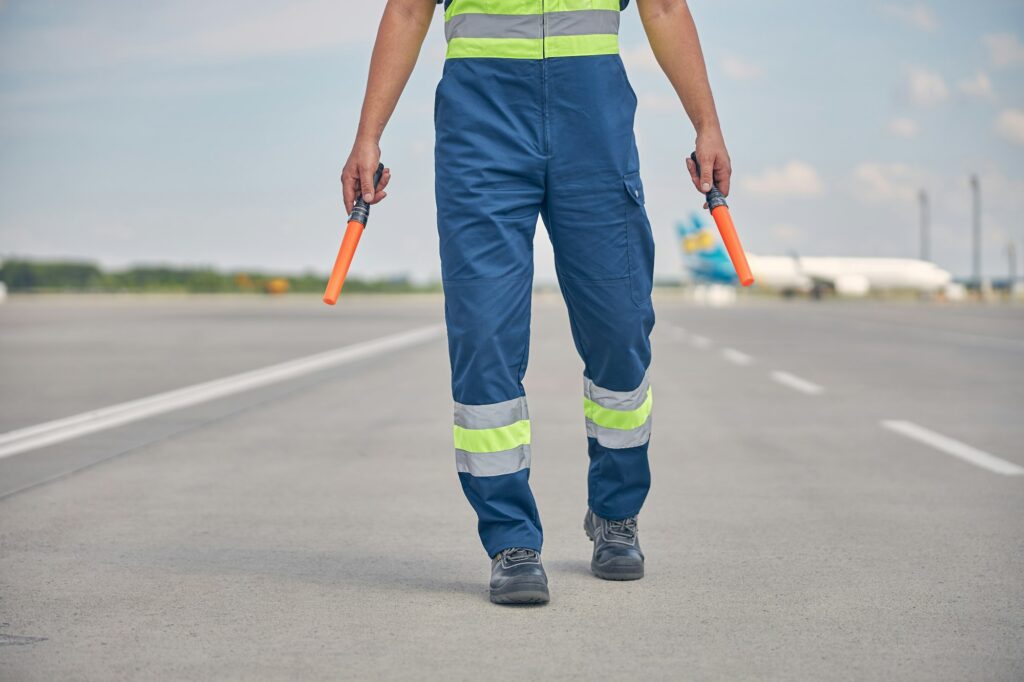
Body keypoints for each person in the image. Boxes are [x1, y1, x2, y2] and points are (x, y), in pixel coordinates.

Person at [341, 0, 732, 605]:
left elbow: (662, 7)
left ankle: (615, 514)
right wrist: (368, 135)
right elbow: (408, 12)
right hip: (482, 130)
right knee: (484, 335)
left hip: (593, 128)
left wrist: (706, 123)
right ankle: (511, 543)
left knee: (621, 327)